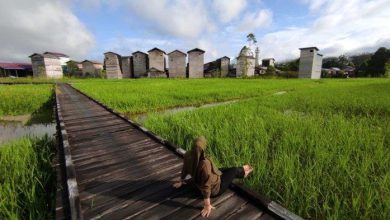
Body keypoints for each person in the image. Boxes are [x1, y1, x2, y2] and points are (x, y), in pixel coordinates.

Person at [173, 136, 253, 217]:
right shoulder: (205, 164)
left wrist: (181, 181)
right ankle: (244, 173)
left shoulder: (187, 155)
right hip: (216, 188)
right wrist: (207, 205)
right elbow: (206, 185)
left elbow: (185, 169)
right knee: (234, 170)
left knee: (222, 169)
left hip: (199, 183)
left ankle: (242, 169)